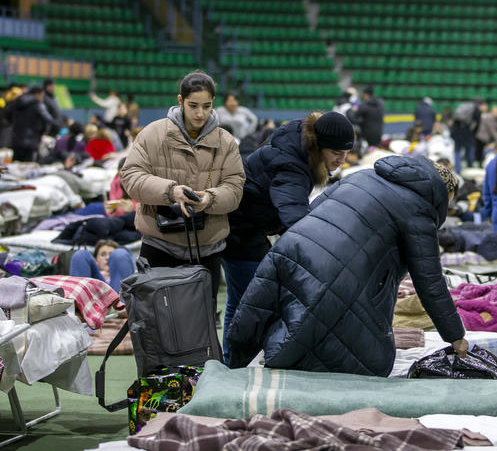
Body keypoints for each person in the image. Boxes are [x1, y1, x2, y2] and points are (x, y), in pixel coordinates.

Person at [226, 156, 468, 374]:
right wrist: (455, 336)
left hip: (293, 246)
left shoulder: (364, 176)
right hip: (333, 272)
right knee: (370, 359)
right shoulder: (420, 211)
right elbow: (430, 282)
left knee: (264, 314)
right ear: (440, 193)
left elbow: (315, 208)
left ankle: (232, 368)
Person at [222, 111, 354, 363]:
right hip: (240, 229)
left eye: (346, 154)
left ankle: (231, 362)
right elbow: (294, 216)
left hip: (246, 224)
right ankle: (232, 366)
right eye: (336, 154)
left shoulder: (300, 137)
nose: (342, 161)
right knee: (247, 303)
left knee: (240, 299)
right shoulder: (293, 165)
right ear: (319, 146)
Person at [120, 71, 245, 304]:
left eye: (207, 106)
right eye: (193, 105)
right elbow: (131, 176)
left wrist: (210, 199)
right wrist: (171, 191)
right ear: (180, 101)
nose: (200, 113)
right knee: (156, 322)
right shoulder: (152, 134)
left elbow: (235, 187)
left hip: (207, 250)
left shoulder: (226, 142)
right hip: (158, 246)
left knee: (200, 327)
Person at [69, 239, 136, 291]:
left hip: (119, 298)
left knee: (120, 253)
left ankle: (122, 306)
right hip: (93, 298)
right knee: (80, 255)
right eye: (103, 255)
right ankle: (79, 305)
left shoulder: (122, 263)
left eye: (111, 255)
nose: (107, 258)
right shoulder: (92, 275)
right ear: (96, 260)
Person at [10, 84, 54, 162]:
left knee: (14, 167)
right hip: (32, 141)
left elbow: (7, 116)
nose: (42, 99)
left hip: (16, 139)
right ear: (37, 94)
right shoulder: (38, 105)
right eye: (42, 96)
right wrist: (43, 131)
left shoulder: (17, 101)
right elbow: (48, 119)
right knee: (28, 168)